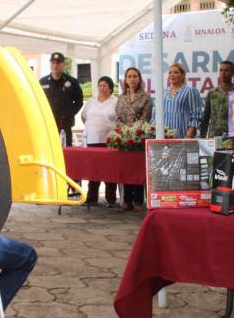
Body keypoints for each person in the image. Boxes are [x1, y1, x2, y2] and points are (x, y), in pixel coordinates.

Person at [115, 67, 152, 212]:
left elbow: (146, 118)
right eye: (129, 76)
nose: (132, 79)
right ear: (125, 79)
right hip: (124, 140)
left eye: (135, 76)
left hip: (139, 139)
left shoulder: (145, 97)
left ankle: (138, 201)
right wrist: (125, 129)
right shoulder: (121, 98)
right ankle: (126, 201)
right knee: (126, 170)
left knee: (136, 171)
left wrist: (134, 128)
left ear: (139, 79)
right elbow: (117, 119)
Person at [80, 76, 117, 207]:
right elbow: (83, 117)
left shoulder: (115, 101)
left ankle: (111, 199)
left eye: (105, 85)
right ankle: (91, 197)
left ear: (111, 88)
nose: (102, 88)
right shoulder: (91, 101)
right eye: (100, 85)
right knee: (93, 170)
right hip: (92, 140)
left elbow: (119, 119)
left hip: (109, 140)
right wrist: (92, 128)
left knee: (109, 170)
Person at [39, 52, 83, 146]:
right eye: (53, 62)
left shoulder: (72, 82)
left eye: (58, 63)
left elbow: (79, 101)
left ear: (63, 64)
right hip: (49, 123)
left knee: (68, 151)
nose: (55, 65)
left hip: (66, 124)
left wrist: (70, 113)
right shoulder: (42, 82)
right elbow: (38, 102)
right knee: (50, 149)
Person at [199, 60, 234, 138]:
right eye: (221, 70)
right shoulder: (212, 93)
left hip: (232, 137)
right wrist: (202, 136)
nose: (223, 73)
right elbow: (205, 116)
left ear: (233, 73)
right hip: (213, 137)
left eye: (226, 70)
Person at [163, 63, 202, 139]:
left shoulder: (190, 91)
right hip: (164, 138)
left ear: (183, 75)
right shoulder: (163, 92)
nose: (172, 75)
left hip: (183, 136)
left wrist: (189, 135)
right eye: (170, 72)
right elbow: (155, 115)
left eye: (175, 72)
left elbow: (196, 115)